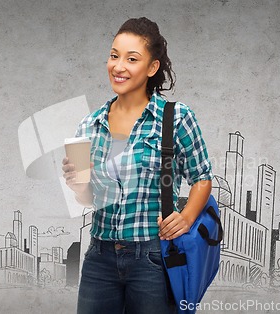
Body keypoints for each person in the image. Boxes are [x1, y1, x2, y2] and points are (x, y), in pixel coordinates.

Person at [62, 17, 213, 314]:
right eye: (114, 56)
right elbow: (87, 200)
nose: (119, 67)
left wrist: (186, 217)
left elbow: (202, 176)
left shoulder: (175, 117)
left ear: (152, 67)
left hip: (153, 258)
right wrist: (77, 183)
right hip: (99, 257)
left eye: (132, 59)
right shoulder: (90, 125)